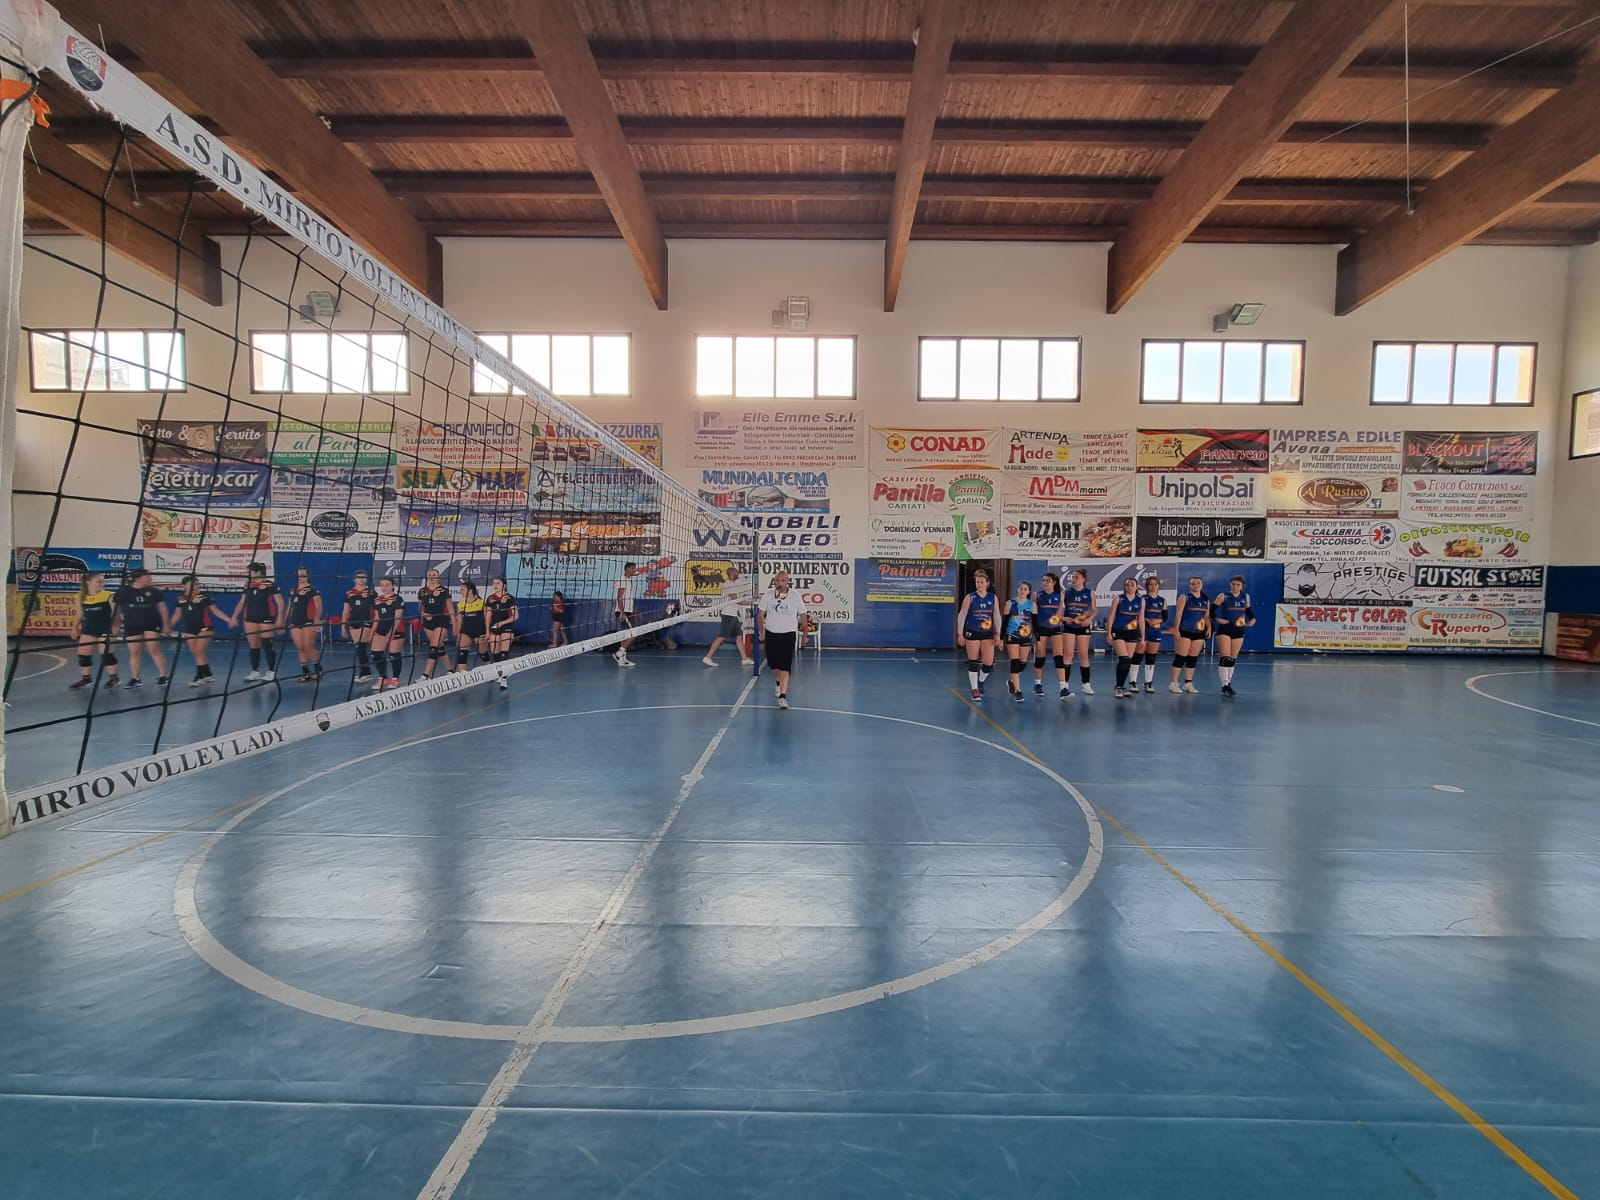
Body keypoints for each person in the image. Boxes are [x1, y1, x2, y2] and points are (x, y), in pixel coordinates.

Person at [172, 574, 235, 687]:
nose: (195, 586)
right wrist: (168, 626)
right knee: (197, 653)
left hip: (205, 628)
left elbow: (216, 611)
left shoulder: (204, 596)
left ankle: (199, 677)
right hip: (189, 629)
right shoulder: (180, 599)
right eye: (192, 584)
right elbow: (177, 615)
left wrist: (228, 619)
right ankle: (208, 674)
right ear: (184, 586)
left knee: (198, 651)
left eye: (197, 584)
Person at [757, 568, 807, 710]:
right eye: (778, 580)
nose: (780, 583)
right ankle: (778, 683)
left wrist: (805, 634)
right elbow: (760, 615)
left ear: (787, 581)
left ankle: (783, 697)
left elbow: (803, 615)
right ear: (775, 581)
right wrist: (761, 631)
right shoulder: (768, 595)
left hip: (788, 634)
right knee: (774, 664)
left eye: (783, 580)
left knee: (785, 666)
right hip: (771, 634)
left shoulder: (795, 596)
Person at [114, 567, 170, 688]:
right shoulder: (124, 591)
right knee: (134, 652)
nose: (150, 578)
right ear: (138, 578)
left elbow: (163, 608)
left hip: (151, 624)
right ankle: (136, 678)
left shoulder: (153, 591)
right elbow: (116, 609)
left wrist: (166, 625)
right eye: (147, 577)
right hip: (132, 625)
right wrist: (116, 625)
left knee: (153, 649)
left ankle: (163, 676)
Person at [230, 561, 280, 682]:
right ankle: (255, 671)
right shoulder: (248, 585)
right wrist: (234, 616)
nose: (248, 574)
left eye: (250, 572)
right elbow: (242, 602)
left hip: (266, 618)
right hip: (250, 618)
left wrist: (280, 619)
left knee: (267, 644)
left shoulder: (270, 585)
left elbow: (280, 603)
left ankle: (271, 671)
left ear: (257, 572)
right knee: (253, 645)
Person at [954, 568, 999, 702]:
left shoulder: (992, 598)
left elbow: (996, 615)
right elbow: (962, 615)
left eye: (981, 582)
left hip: (987, 633)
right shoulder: (970, 597)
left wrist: (998, 632)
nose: (979, 584)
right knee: (973, 662)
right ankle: (975, 689)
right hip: (972, 631)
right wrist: (960, 633)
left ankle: (980, 681)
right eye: (977, 582)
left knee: (988, 664)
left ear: (987, 583)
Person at [70, 572, 119, 690]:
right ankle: (86, 679)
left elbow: (116, 612)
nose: (102, 584)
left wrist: (115, 626)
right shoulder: (79, 596)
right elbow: (80, 614)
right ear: (88, 582)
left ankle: (114, 678)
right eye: (98, 581)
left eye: (103, 581)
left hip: (106, 629)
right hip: (89, 629)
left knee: (106, 654)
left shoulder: (108, 595)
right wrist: (75, 627)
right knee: (83, 654)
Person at [1211, 575, 1255, 697]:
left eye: (1238, 584)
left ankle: (1229, 683)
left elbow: (1248, 610)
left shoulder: (1245, 596)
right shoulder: (1223, 596)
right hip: (1225, 628)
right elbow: (1211, 611)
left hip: (1238, 629)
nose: (1235, 586)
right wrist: (1217, 619)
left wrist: (1252, 619)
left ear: (1242, 586)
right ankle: (1224, 685)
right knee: (1225, 657)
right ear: (1230, 585)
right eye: (1233, 584)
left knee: (1232, 658)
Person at [702, 566, 754, 667]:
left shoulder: (733, 584)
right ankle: (708, 657)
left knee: (739, 637)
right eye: (736, 572)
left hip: (734, 615)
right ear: (732, 573)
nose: (738, 573)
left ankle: (744, 659)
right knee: (722, 637)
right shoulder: (728, 584)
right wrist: (751, 602)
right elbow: (736, 600)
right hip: (728, 615)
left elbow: (737, 600)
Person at [1169, 576, 1210, 694]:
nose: (1196, 585)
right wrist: (1176, 630)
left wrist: (1209, 628)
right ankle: (1173, 683)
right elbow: (1178, 614)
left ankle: (1188, 683)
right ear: (1189, 585)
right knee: (1180, 657)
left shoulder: (1206, 599)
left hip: (1199, 632)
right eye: (1193, 583)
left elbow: (1206, 616)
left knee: (1192, 659)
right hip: (1184, 631)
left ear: (1202, 584)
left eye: (1198, 583)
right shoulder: (1185, 597)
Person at [1032, 571, 1068, 699]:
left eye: (1048, 580)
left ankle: (1063, 688)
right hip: (1041, 629)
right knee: (1040, 658)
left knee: (1059, 657)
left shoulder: (1060, 595)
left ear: (1054, 582)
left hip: (1055, 628)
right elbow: (1033, 615)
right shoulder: (1037, 595)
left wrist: (1060, 619)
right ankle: (1037, 684)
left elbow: (1060, 612)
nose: (1045, 583)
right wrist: (1035, 633)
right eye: (1043, 580)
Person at [1061, 568, 1097, 697]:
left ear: (1083, 579)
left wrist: (1088, 619)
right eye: (1073, 577)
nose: (1074, 579)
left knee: (1083, 655)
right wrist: (1064, 618)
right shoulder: (1065, 592)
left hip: (1083, 626)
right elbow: (1058, 610)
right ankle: (1064, 684)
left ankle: (1086, 684)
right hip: (1069, 626)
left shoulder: (1090, 593)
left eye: (1077, 577)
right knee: (1068, 655)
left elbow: (1094, 609)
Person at [1109, 576, 1145, 700]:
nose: (1129, 587)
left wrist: (1143, 637)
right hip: (1119, 631)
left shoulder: (1141, 601)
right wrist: (1109, 633)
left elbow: (1141, 619)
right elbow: (1111, 616)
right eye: (1127, 585)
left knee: (1127, 661)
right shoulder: (1118, 599)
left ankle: (1121, 686)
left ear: (1136, 587)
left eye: (1132, 585)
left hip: (1133, 633)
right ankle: (1118, 687)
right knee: (1124, 659)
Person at [285, 567, 323, 682]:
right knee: (300, 647)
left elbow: (318, 606)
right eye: (299, 575)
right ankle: (305, 672)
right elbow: (290, 606)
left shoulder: (312, 590)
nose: (300, 577)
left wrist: (317, 620)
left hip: (308, 621)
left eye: (303, 575)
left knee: (308, 646)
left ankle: (318, 669)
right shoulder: (293, 590)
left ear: (307, 576)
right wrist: (285, 620)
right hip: (295, 622)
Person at [416, 567, 455, 680]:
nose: (432, 577)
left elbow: (450, 609)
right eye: (430, 575)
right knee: (439, 646)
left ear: (438, 577)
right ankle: (450, 670)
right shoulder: (422, 591)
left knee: (433, 647)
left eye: (434, 575)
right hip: (428, 622)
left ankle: (425, 675)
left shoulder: (444, 591)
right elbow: (420, 609)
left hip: (441, 621)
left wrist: (455, 626)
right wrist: (424, 614)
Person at [1002, 580, 1036, 702]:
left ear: (1028, 591)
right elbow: (1005, 622)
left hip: (1026, 636)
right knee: (1015, 662)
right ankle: (1018, 690)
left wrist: (1038, 639)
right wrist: (1001, 638)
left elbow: (1035, 623)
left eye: (1025, 589)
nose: (1022, 591)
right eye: (1020, 588)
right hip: (1012, 634)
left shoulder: (1032, 605)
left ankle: (1011, 681)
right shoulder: (1010, 603)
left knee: (1022, 663)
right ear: (1017, 589)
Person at [370, 576, 405, 690]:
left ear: (392, 586)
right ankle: (383, 677)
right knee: (376, 654)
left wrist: (390, 633)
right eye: (382, 585)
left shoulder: (397, 599)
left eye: (387, 585)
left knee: (394, 655)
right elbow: (377, 618)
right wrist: (372, 632)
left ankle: (395, 678)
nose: (384, 587)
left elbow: (397, 618)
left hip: (396, 629)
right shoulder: (377, 600)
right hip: (381, 629)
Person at [342, 571, 376, 683]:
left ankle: (367, 673)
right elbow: (346, 610)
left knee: (361, 646)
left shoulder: (371, 593)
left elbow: (376, 609)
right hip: (354, 622)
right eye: (359, 577)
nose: (361, 580)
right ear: (354, 579)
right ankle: (364, 672)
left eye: (363, 577)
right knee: (358, 647)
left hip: (366, 621)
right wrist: (343, 626)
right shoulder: (349, 593)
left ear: (366, 579)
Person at [1138, 574, 1168, 695]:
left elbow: (1165, 616)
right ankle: (1132, 682)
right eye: (1150, 584)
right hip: (1144, 629)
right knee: (1138, 656)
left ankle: (1148, 682)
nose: (1153, 586)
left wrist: (1158, 621)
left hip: (1155, 630)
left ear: (1158, 586)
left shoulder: (1162, 600)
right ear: (1147, 586)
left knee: (1151, 657)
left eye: (1155, 584)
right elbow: (1138, 614)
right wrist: (1147, 620)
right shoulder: (1143, 598)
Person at [485, 577, 518, 689]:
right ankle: (503, 672)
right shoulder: (490, 598)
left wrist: (502, 623)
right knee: (495, 655)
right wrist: (487, 631)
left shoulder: (510, 598)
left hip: (507, 627)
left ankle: (503, 679)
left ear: (504, 585)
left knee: (504, 653)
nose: (495, 585)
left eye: (498, 583)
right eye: (494, 583)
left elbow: (515, 616)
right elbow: (488, 616)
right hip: (494, 627)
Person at [453, 580, 486, 674]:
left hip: (479, 630)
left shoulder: (481, 602)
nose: (461, 592)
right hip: (465, 631)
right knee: (462, 652)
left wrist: (488, 632)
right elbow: (459, 620)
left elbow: (487, 618)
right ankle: (463, 674)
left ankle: (491, 668)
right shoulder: (460, 604)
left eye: (463, 589)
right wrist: (458, 635)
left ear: (470, 590)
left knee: (483, 653)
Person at [613, 561, 639, 667]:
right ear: (627, 569)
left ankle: (622, 659)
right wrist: (622, 612)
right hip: (623, 611)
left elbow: (629, 597)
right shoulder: (622, 580)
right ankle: (619, 653)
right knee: (634, 633)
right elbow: (619, 597)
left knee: (626, 635)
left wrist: (635, 610)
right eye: (633, 568)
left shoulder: (630, 581)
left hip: (629, 610)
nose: (635, 570)